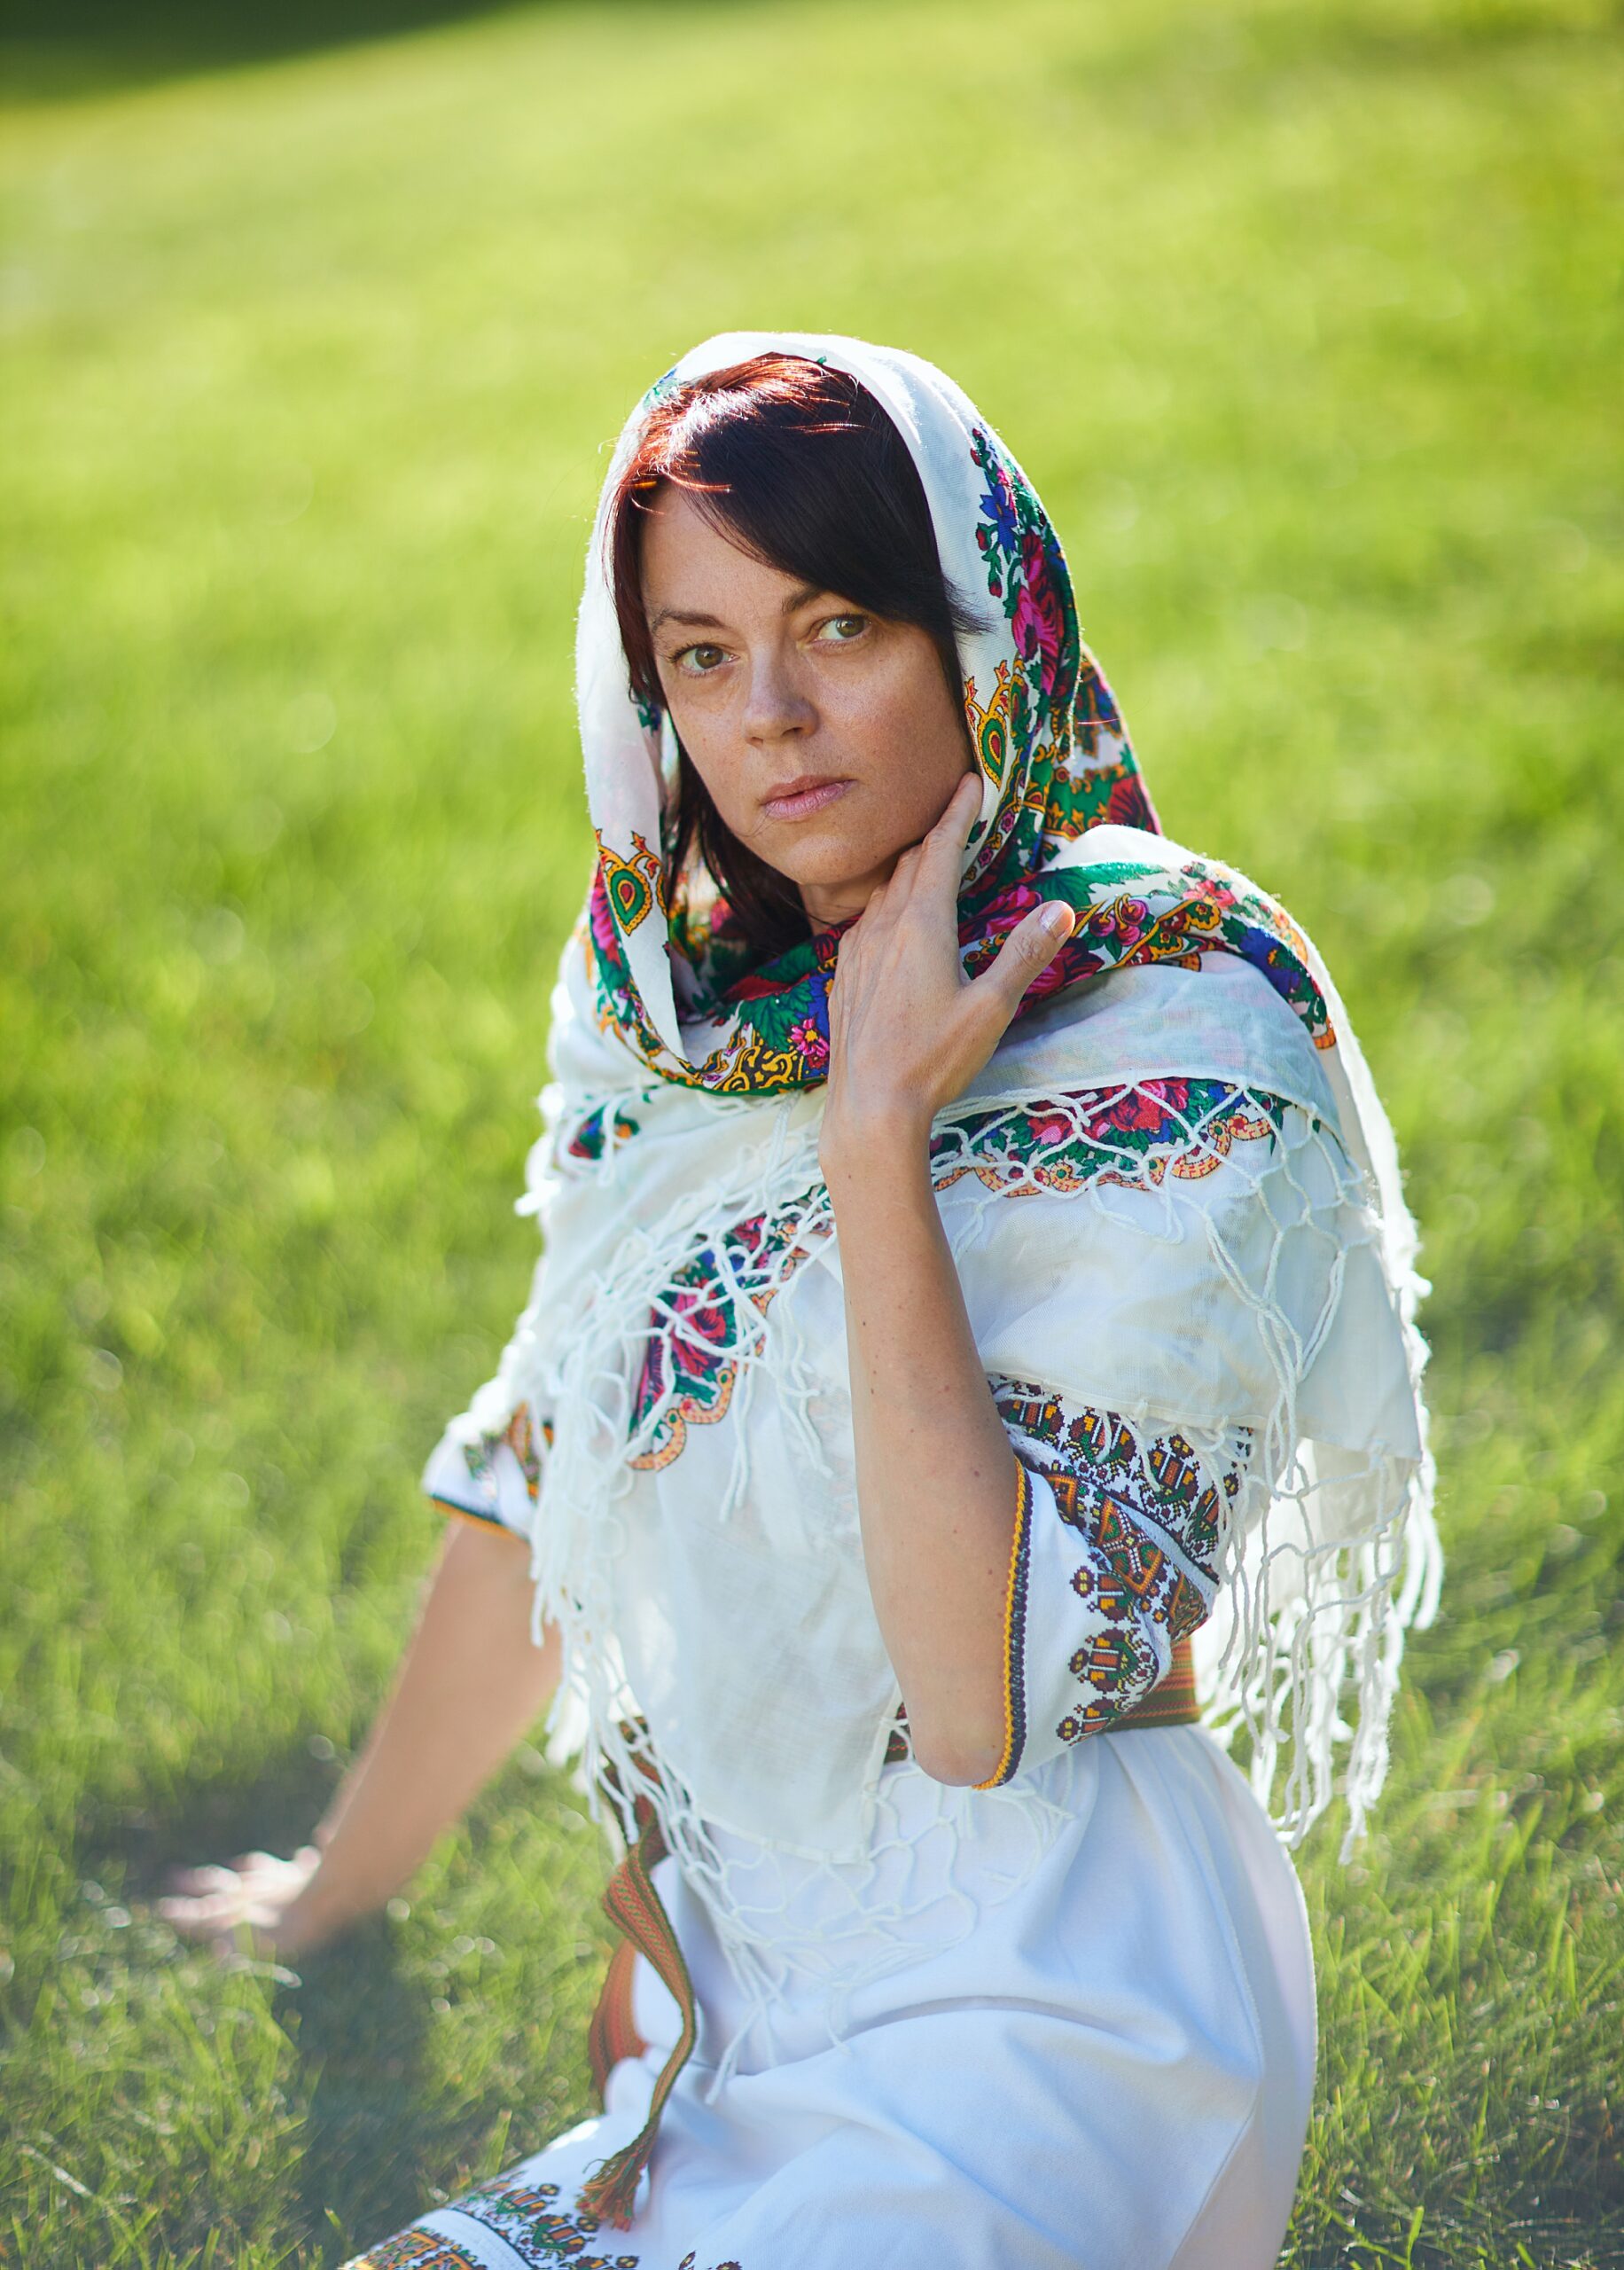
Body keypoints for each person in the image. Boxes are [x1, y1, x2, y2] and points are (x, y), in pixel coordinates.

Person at [163, 334, 1440, 2269]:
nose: (764, 715)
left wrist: (876, 1142)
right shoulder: (672, 1012)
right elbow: (553, 1461)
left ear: (977, 629)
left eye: (837, 622)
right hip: (739, 2002)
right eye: (695, 653)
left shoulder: (1185, 1010)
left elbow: (978, 1701)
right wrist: (325, 1895)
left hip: (1055, 2002)